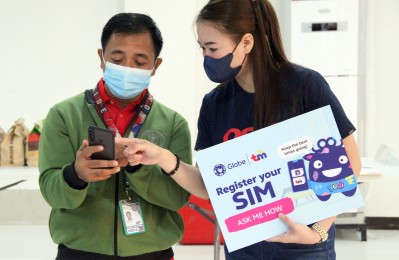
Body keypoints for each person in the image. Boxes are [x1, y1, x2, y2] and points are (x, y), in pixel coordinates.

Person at [120, 0, 362, 260]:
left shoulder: (304, 86)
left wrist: (317, 231)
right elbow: (208, 185)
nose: (207, 58)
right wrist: (163, 158)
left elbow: (349, 164)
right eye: (202, 48)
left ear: (246, 42)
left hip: (305, 247)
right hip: (244, 248)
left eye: (213, 48)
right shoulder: (214, 103)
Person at [38, 13, 193, 259]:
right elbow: (51, 191)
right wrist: (76, 175)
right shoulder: (64, 115)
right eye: (117, 59)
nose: (128, 69)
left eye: (140, 62)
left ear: (156, 66)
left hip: (153, 252)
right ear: (102, 58)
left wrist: (137, 165)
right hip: (80, 251)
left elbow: (177, 199)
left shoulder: (173, 123)